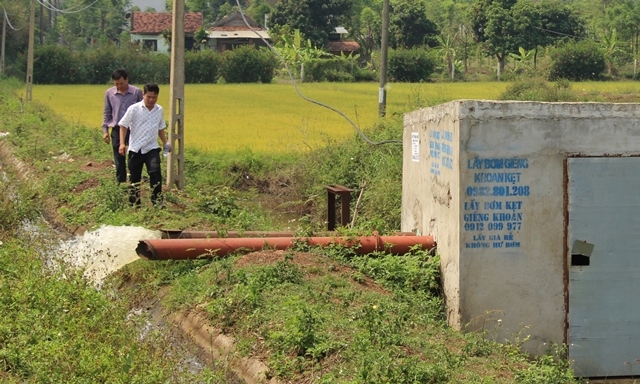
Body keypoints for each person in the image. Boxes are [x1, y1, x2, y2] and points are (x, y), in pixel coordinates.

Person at [118, 83, 170, 207]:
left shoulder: (159, 110)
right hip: (136, 148)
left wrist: (165, 142)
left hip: (152, 147)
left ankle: (157, 201)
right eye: (149, 97)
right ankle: (135, 203)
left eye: (154, 97)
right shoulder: (134, 109)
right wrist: (122, 143)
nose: (151, 100)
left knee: (155, 172)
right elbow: (123, 125)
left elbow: (160, 127)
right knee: (134, 177)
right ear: (143, 95)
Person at [102, 69, 143, 183]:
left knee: (134, 156)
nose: (119, 86)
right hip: (117, 129)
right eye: (116, 84)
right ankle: (121, 183)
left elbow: (143, 110)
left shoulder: (137, 92)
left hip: (134, 130)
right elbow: (107, 112)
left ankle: (134, 182)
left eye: (121, 83)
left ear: (127, 79)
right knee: (119, 158)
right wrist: (105, 130)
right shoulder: (109, 93)